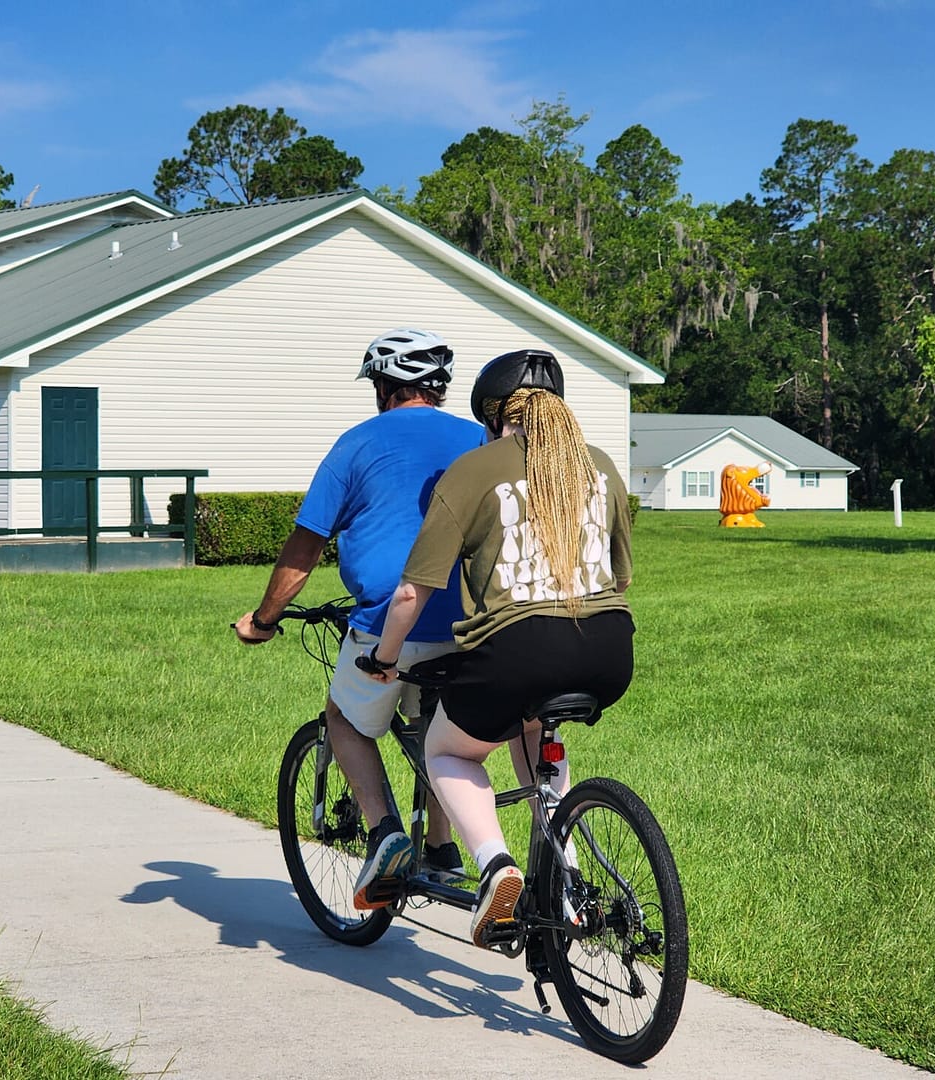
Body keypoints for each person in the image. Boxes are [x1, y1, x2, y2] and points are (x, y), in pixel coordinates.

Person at [361, 349, 635, 948]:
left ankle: (495, 868)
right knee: (536, 732)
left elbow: (412, 590)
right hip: (611, 646)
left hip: (517, 650)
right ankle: (566, 877)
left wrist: (384, 659)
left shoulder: (476, 468)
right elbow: (620, 577)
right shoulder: (602, 467)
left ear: (491, 414)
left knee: (448, 753)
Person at [233, 328, 485, 909]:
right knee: (440, 736)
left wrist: (264, 620)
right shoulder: (478, 439)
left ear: (383, 386)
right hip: (471, 624)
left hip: (388, 621)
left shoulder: (356, 445)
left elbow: (305, 545)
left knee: (343, 717)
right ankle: (443, 850)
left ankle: (385, 833)